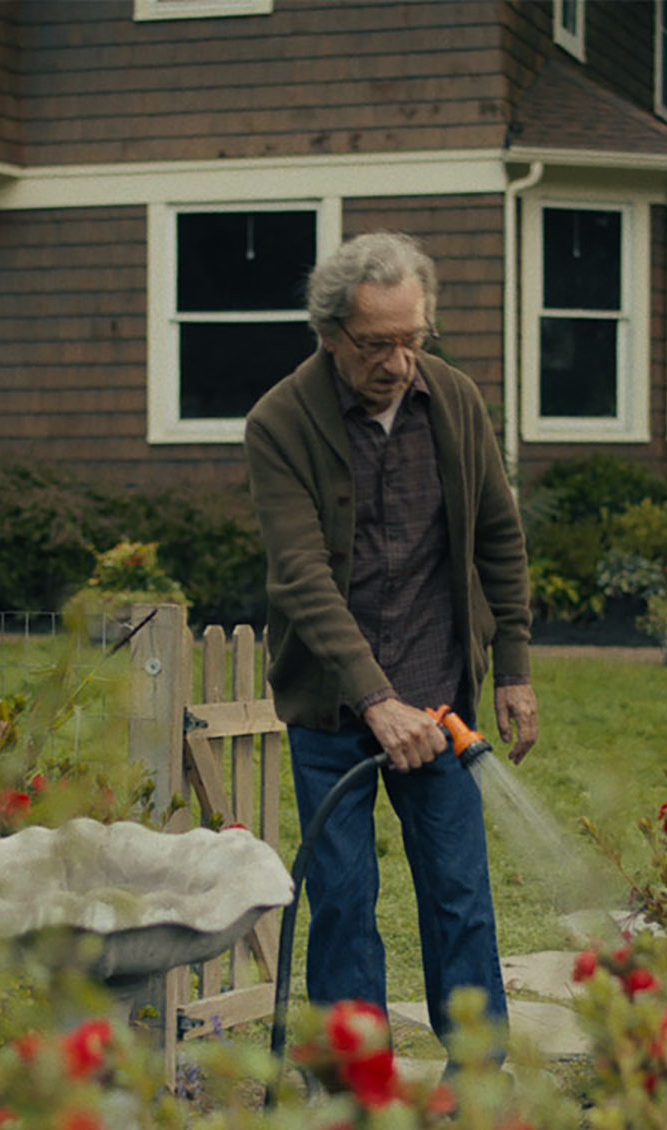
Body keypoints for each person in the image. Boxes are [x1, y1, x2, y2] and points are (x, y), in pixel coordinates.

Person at [243, 230, 537, 1055]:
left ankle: (478, 1074)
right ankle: (353, 1083)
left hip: (439, 696)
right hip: (336, 706)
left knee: (458, 894)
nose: (400, 363)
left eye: (414, 340)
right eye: (377, 344)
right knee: (341, 897)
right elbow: (302, 578)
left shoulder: (454, 401)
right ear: (329, 333)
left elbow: (499, 539)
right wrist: (377, 701)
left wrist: (511, 667)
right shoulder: (279, 424)